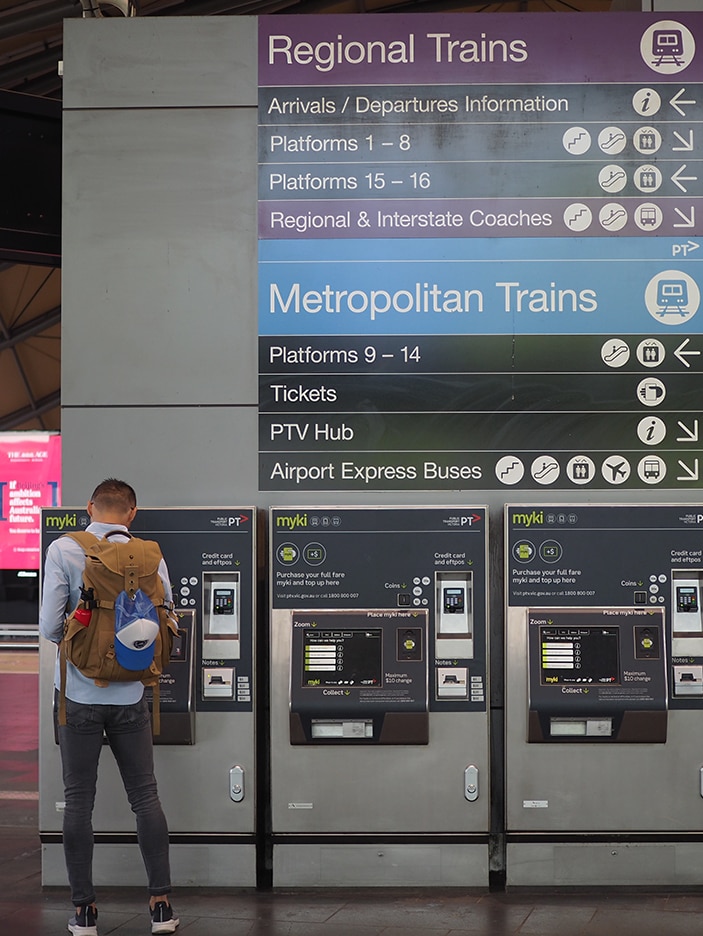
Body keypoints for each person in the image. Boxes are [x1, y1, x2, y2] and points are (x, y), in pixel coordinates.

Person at [39, 479, 179, 936]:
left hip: (78, 695)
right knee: (146, 796)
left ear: (89, 508)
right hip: (132, 695)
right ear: (132, 513)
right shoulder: (149, 555)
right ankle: (160, 905)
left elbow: (49, 627)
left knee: (79, 801)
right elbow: (167, 615)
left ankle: (84, 912)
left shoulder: (64, 549)